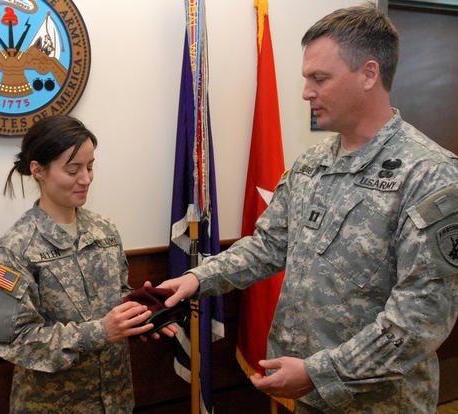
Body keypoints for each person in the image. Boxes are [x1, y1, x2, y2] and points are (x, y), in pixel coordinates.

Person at [156, 4, 458, 413]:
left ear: (369, 74)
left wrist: (321, 372)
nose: (306, 92)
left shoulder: (430, 175)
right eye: (306, 78)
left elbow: (420, 319)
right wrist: (197, 278)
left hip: (381, 403)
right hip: (308, 396)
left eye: (320, 78)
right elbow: (267, 246)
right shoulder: (311, 164)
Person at [0, 115, 154, 413]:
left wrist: (142, 311)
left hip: (115, 400)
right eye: (73, 170)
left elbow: (116, 296)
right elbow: (15, 341)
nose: (86, 179)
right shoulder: (15, 249)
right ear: (38, 170)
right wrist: (100, 332)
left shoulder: (105, 231)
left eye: (90, 166)